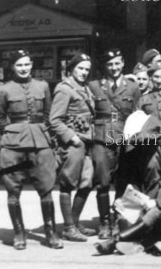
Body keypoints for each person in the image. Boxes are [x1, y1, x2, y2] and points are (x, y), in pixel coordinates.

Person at [0, 49, 63, 250]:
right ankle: (19, 233)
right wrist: (11, 132)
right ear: (13, 67)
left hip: (40, 143)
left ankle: (51, 233)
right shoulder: (5, 89)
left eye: (26, 64)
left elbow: (48, 114)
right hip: (13, 147)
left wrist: (43, 132)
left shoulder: (42, 86)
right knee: (13, 190)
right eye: (19, 65)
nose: (23, 68)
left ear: (32, 65)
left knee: (46, 187)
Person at [94, 146, 161, 255]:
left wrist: (156, 202)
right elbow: (147, 199)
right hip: (156, 222)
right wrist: (125, 203)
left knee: (155, 212)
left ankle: (114, 241)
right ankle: (137, 244)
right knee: (131, 214)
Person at [88, 48, 141, 239]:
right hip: (102, 138)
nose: (114, 67)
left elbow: (137, 114)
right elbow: (89, 113)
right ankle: (104, 222)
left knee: (123, 182)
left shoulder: (132, 87)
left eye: (117, 63)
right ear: (105, 66)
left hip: (123, 138)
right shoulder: (94, 86)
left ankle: (118, 220)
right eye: (110, 64)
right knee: (102, 182)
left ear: (123, 63)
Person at [49, 53, 96, 242]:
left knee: (87, 183)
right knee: (68, 183)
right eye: (80, 68)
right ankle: (68, 228)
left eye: (86, 69)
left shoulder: (85, 88)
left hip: (87, 141)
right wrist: (72, 138)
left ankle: (75, 223)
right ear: (71, 69)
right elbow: (54, 120)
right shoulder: (64, 89)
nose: (84, 72)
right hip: (74, 143)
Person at [135, 62, 161, 192]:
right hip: (151, 144)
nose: (159, 81)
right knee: (152, 171)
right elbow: (137, 122)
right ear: (150, 77)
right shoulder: (143, 99)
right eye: (156, 77)